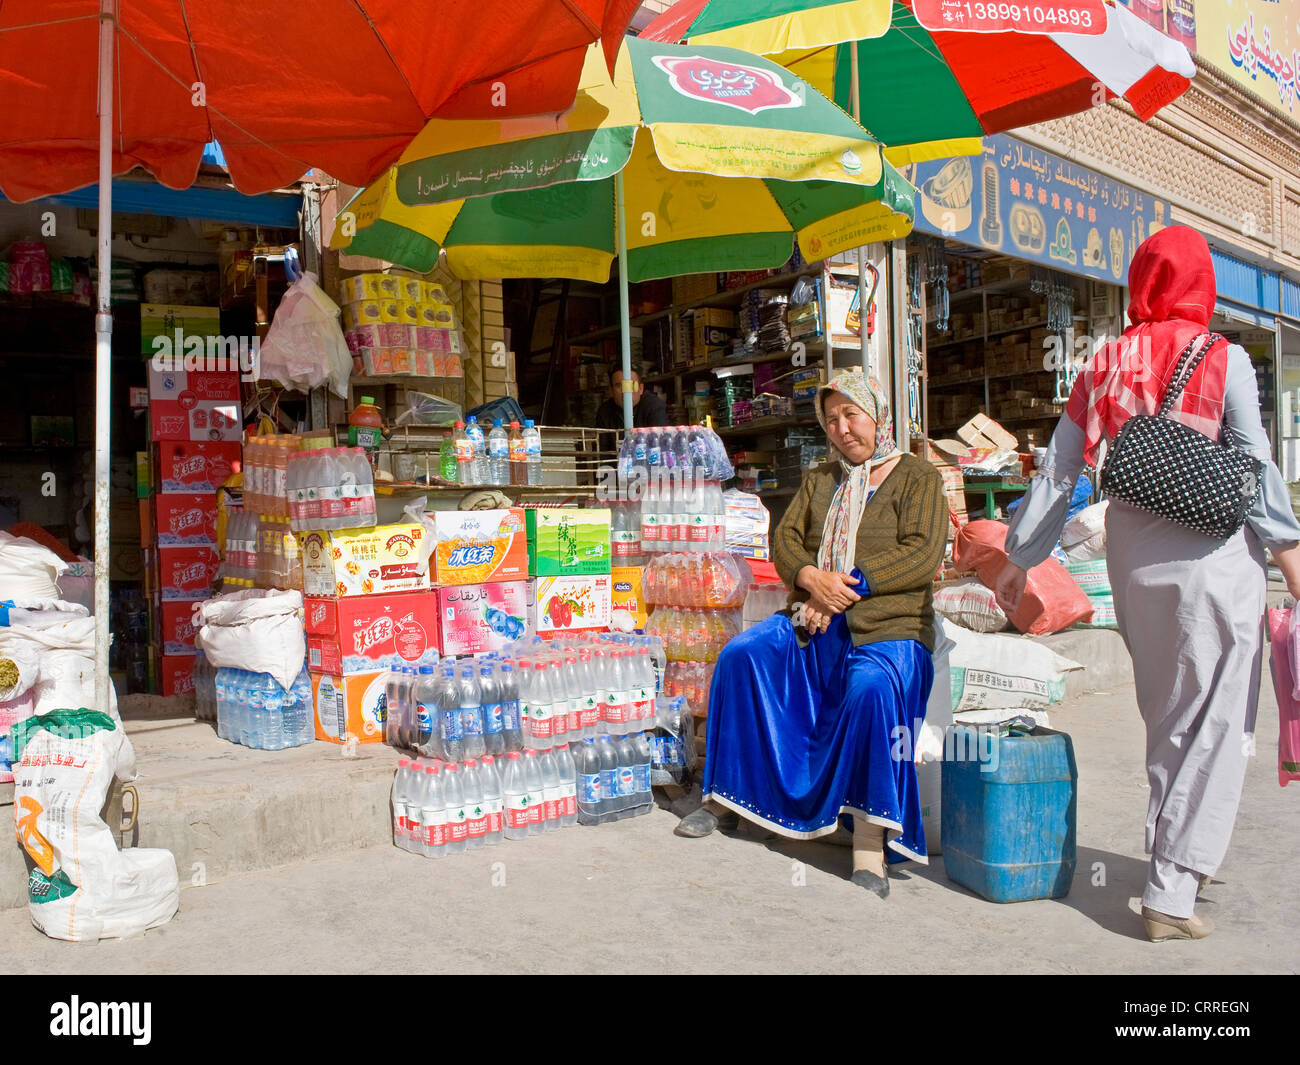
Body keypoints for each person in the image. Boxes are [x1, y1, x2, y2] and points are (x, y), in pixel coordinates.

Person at [995, 226, 1300, 942]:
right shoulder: (1224, 359)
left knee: (1167, 712)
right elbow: (1254, 469)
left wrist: (1020, 553)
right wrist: (1290, 554)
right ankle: (1172, 885)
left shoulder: (1103, 360)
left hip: (1131, 553)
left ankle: (1175, 850)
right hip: (1213, 556)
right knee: (1216, 717)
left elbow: (1059, 471)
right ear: (1201, 284)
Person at [674, 370, 948, 898]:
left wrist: (845, 587)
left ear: (878, 415)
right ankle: (726, 803)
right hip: (811, 616)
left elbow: (922, 552)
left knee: (871, 689)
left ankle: (869, 842)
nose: (843, 428)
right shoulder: (823, 479)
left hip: (888, 625)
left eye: (852, 414)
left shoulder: (917, 477)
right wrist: (808, 579)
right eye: (832, 419)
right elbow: (786, 540)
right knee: (742, 657)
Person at [593, 366, 669, 430]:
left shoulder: (654, 407)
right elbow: (602, 446)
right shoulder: (604, 411)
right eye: (619, 385)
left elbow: (658, 444)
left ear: (641, 389)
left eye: (631, 385)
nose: (626, 392)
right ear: (611, 391)